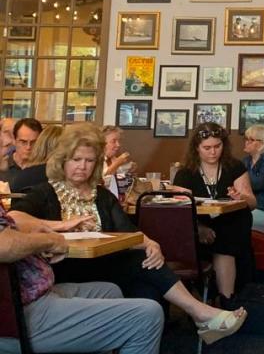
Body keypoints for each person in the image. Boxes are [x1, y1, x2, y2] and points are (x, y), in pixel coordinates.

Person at [11, 124, 246, 343]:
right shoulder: (45, 192)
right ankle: (200, 313)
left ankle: (153, 336)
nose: (82, 166)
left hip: (102, 266)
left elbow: (129, 232)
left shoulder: (102, 195)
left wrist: (152, 244)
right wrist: (58, 225)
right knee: (138, 265)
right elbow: (16, 219)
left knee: (147, 285)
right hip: (63, 267)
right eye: (76, 159)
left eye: (89, 160)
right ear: (63, 160)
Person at [0, 205, 164, 354]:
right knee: (148, 315)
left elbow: (13, 217)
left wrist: (54, 229)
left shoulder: (103, 196)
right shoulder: (44, 192)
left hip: (27, 294)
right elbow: (4, 245)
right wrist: (50, 241)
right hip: (15, 315)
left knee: (109, 290)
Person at [174, 123, 256, 306]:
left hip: (231, 224)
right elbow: (181, 210)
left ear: (224, 146)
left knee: (226, 236)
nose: (213, 152)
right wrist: (199, 227)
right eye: (207, 148)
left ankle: (226, 300)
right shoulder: (185, 172)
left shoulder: (234, 166)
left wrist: (240, 197)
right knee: (220, 239)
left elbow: (252, 203)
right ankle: (222, 301)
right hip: (197, 226)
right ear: (196, 148)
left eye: (217, 146)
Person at [10, 124, 63, 193]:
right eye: (23, 142)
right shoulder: (66, 177)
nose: (28, 147)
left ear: (39, 145)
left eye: (33, 142)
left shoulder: (24, 176)